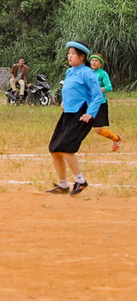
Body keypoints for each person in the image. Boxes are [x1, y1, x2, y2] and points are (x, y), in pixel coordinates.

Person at [47, 42, 104, 196]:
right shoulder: (70, 72)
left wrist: (90, 114)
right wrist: (64, 102)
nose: (70, 56)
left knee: (66, 147)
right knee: (54, 148)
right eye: (69, 53)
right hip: (68, 114)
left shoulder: (87, 72)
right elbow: (69, 89)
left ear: (82, 56)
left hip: (82, 114)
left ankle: (80, 181)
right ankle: (63, 185)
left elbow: (98, 95)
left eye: (73, 53)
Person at [89, 54, 122, 151]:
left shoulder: (103, 74)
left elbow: (109, 87)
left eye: (96, 61)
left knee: (98, 129)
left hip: (100, 104)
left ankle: (116, 139)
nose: (94, 62)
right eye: (92, 60)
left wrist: (97, 90)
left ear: (100, 64)